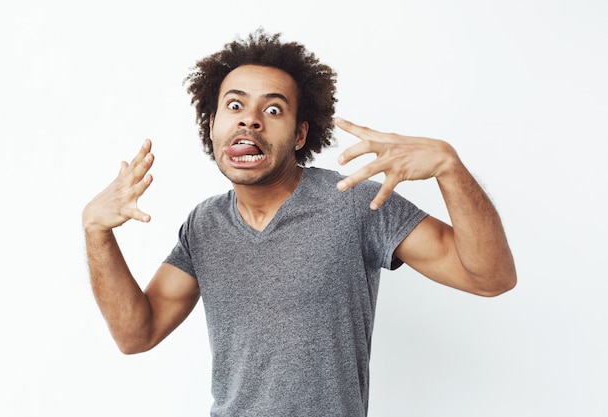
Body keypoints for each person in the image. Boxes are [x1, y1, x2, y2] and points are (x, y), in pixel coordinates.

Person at [82, 29, 516, 417]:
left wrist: (448, 167)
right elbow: (136, 334)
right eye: (235, 105)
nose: (249, 119)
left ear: (301, 135)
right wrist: (97, 232)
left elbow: (491, 277)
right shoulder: (204, 224)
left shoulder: (354, 201)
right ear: (212, 124)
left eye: (273, 110)